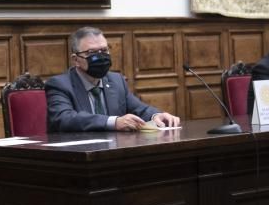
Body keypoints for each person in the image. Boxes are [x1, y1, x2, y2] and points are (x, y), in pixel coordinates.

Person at [46, 26, 180, 132]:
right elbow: (64, 119)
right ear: (76, 60)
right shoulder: (60, 84)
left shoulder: (116, 80)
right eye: (92, 53)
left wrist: (156, 115)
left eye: (104, 50)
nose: (100, 56)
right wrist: (113, 122)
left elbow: (139, 109)